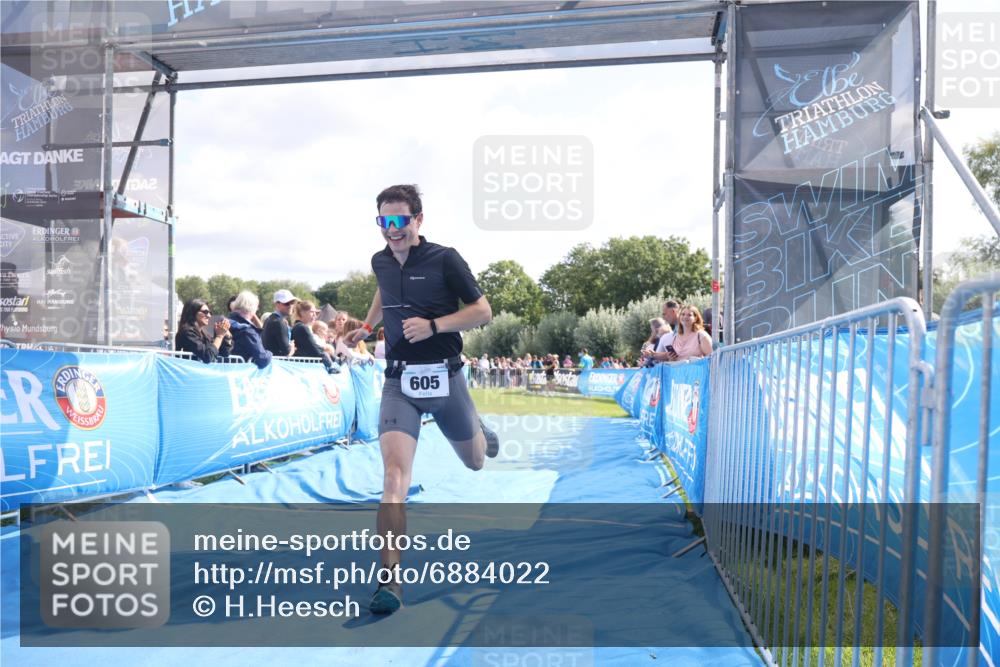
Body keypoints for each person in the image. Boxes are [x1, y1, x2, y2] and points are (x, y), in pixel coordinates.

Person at [346, 183, 499, 615]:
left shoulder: (445, 258)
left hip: (446, 377)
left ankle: (478, 429)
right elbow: (383, 289)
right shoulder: (379, 259)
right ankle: (389, 582)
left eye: (400, 220)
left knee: (475, 460)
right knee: (394, 478)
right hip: (399, 383)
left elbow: (483, 312)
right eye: (384, 221)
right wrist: (367, 325)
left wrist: (434, 326)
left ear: (418, 220)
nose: (392, 230)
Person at [228, 291, 272, 369]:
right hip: (241, 375)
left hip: (223, 372)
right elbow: (263, 359)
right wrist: (269, 353)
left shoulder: (224, 324)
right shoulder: (248, 331)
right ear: (252, 308)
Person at [291, 300, 337, 373]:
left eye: (316, 313)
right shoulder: (302, 327)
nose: (315, 315)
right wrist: (332, 362)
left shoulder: (298, 326)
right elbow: (314, 348)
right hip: (304, 367)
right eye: (312, 312)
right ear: (302, 313)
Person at [262, 288, 297, 357]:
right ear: (277, 304)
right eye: (286, 303)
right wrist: (292, 347)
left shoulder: (269, 319)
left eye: (292, 302)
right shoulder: (278, 322)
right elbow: (287, 352)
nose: (290, 306)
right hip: (277, 363)